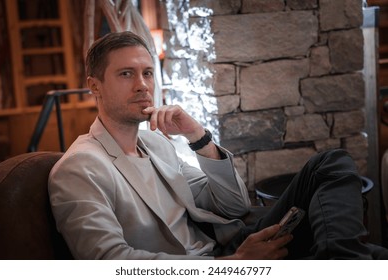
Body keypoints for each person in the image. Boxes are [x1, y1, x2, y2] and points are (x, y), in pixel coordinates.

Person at [48, 31, 387, 260]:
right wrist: (234, 265)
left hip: (230, 242)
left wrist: (198, 136)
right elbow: (111, 263)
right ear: (94, 86)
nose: (142, 85)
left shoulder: (155, 144)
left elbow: (233, 206)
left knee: (331, 163)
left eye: (148, 73)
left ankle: (339, 261)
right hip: (214, 264)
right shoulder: (80, 167)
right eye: (126, 74)